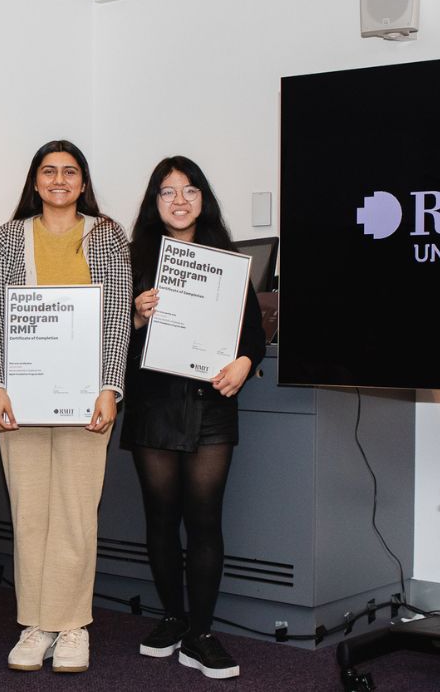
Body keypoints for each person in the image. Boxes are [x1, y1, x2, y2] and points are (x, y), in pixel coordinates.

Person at [0, 140, 131, 674]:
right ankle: (34, 624)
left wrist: (110, 388)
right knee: (30, 514)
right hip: (20, 401)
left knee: (74, 513)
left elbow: (116, 319)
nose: (59, 180)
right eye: (49, 171)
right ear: (35, 181)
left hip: (85, 401)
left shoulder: (109, 237)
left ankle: (71, 626)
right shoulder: (6, 239)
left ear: (83, 182)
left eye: (70, 172)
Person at [122, 156, 265, 679]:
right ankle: (172, 619)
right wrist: (137, 315)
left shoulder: (226, 259)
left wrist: (244, 364)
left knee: (204, 519)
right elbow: (110, 338)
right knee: (161, 517)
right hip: (154, 403)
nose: (178, 200)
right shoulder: (135, 259)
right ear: (153, 203)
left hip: (209, 405)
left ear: (203, 198)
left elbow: (253, 335)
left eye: (189, 191)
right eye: (167, 192)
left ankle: (201, 633)